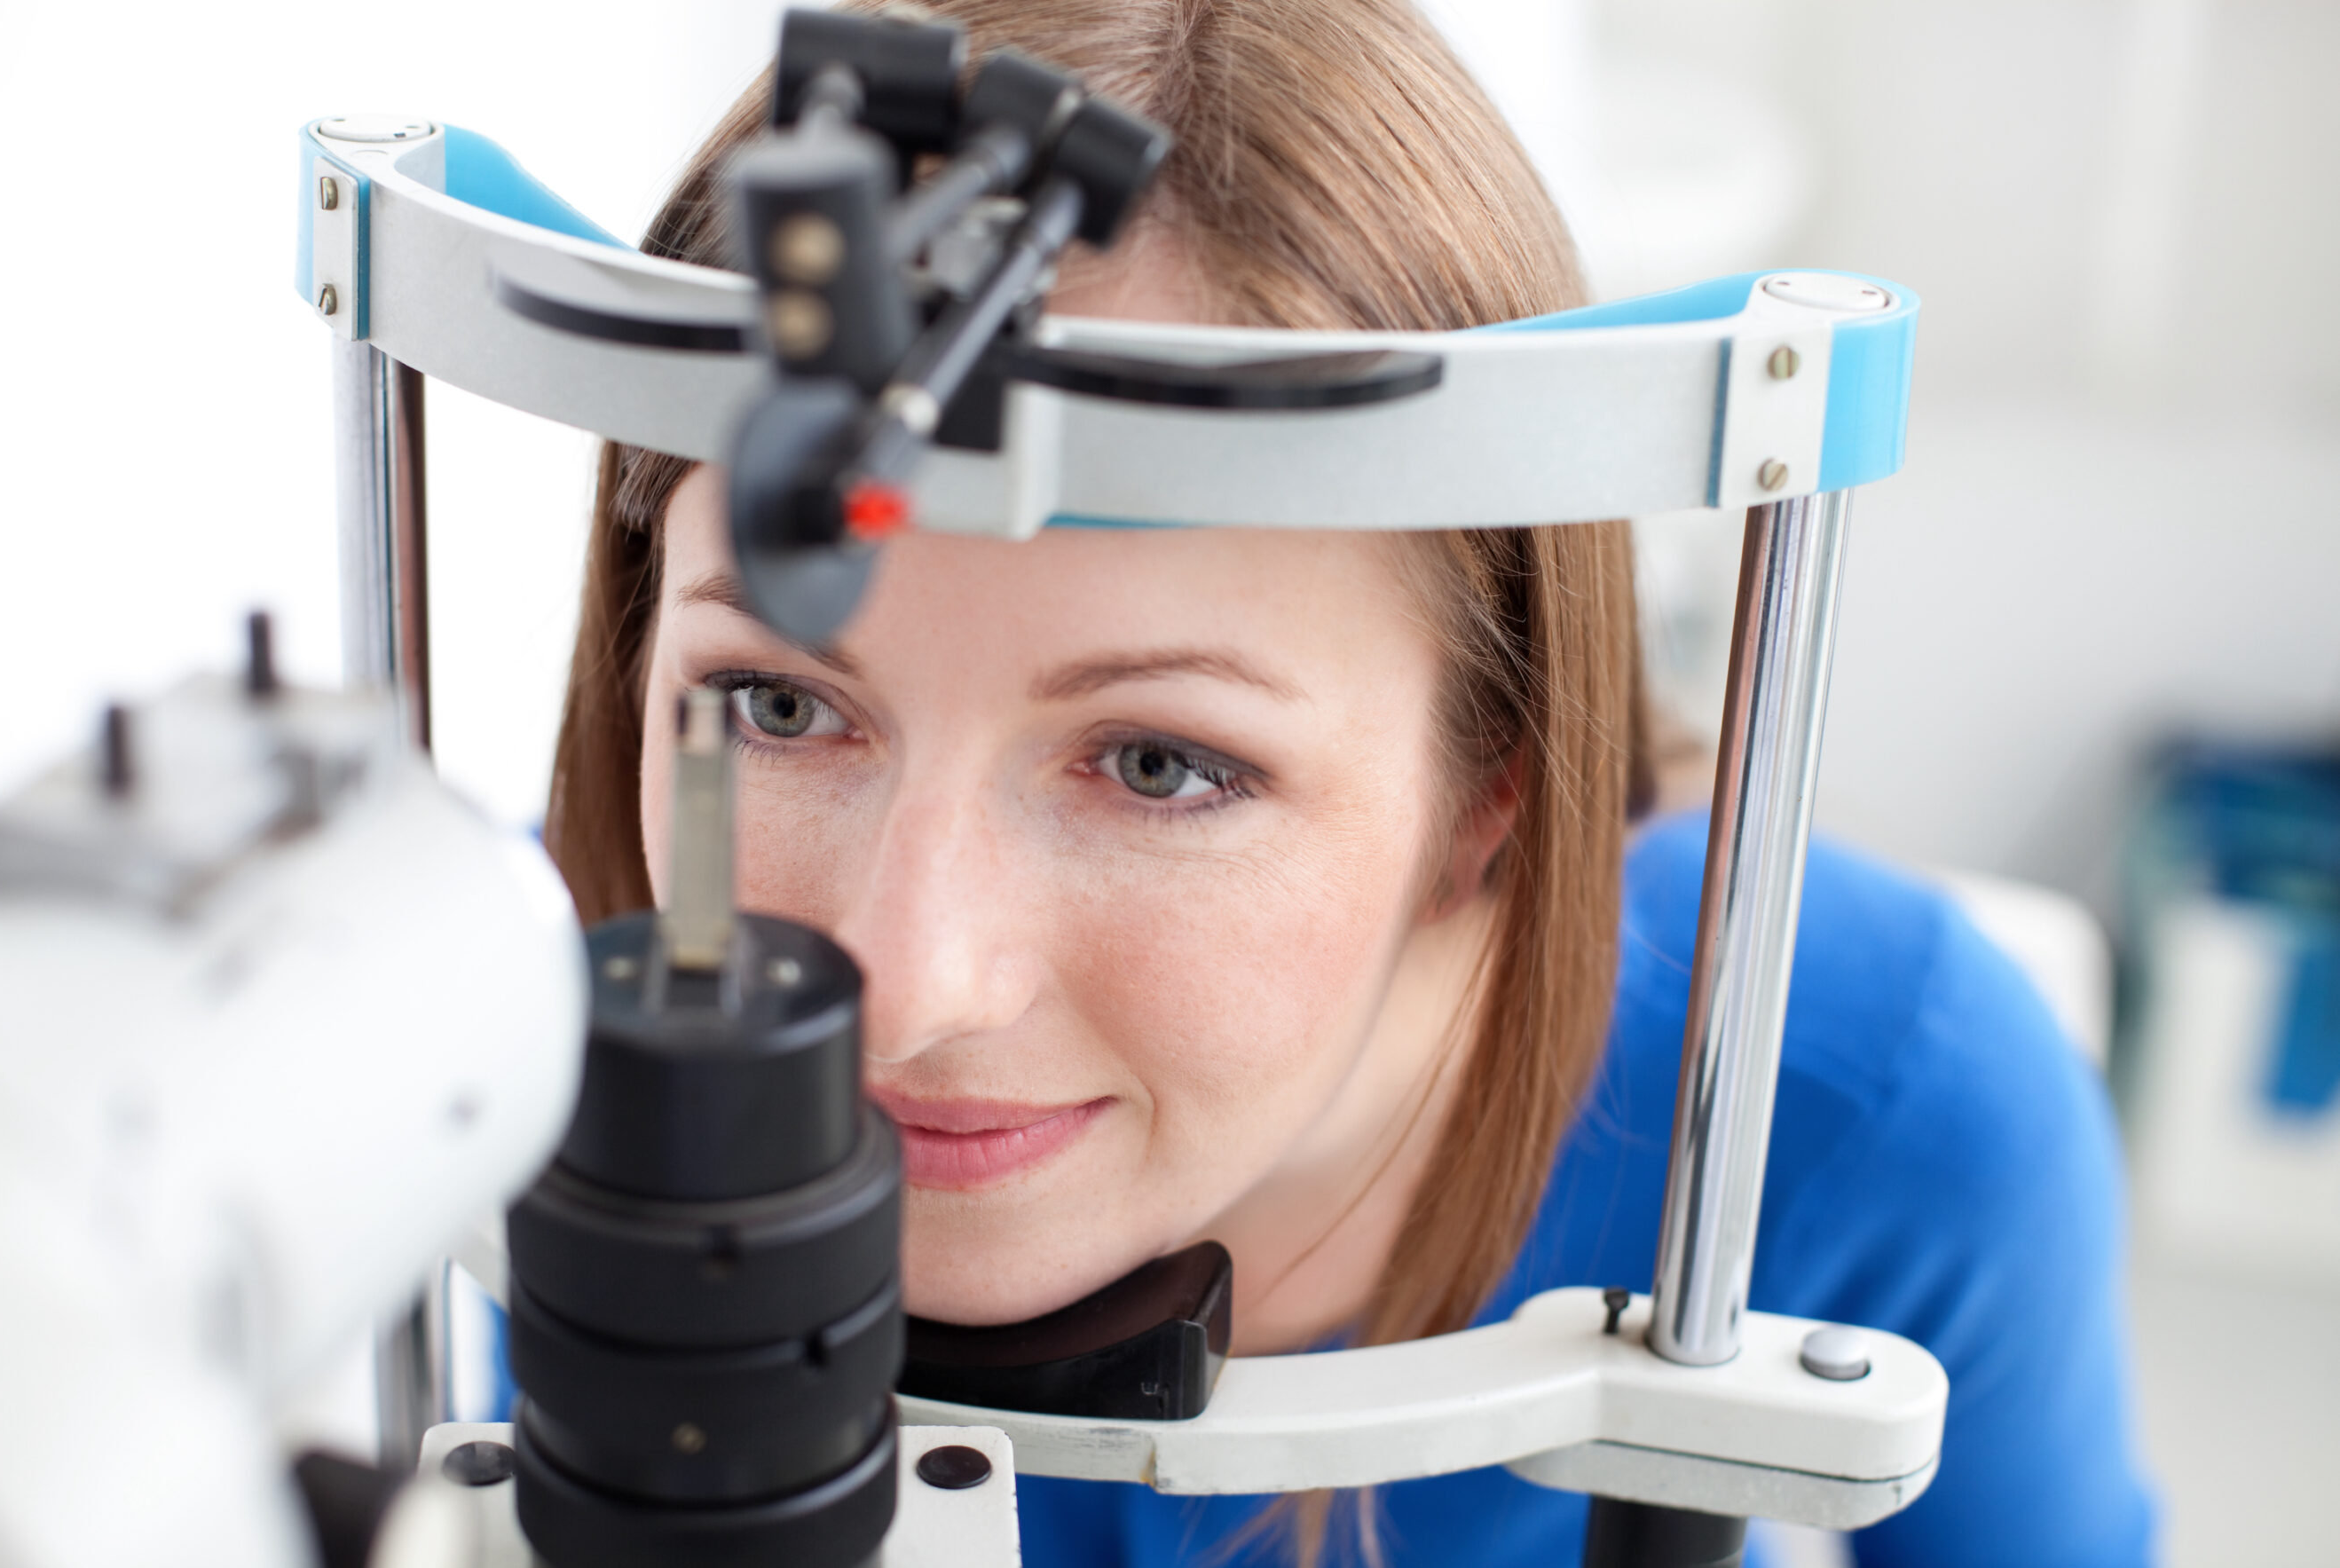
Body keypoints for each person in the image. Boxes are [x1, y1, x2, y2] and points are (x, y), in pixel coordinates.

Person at [546, 1, 2156, 1562]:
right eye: (775, 703)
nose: (904, 989)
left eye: (1158, 765)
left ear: (1492, 792)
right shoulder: (505, 1025)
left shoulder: (1885, 1106)